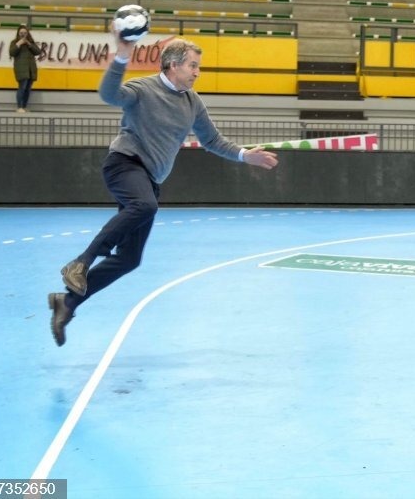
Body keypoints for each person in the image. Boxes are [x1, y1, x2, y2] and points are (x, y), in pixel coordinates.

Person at [48, 28, 279, 346]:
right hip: (124, 164)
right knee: (144, 205)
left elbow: (211, 140)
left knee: (129, 259)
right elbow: (108, 95)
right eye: (193, 65)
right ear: (173, 65)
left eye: (198, 66)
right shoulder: (143, 90)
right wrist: (121, 57)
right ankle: (81, 262)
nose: (197, 72)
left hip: (150, 179)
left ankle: (68, 303)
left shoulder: (192, 103)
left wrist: (243, 155)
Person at [9, 24, 41, 113]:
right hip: (21, 69)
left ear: (27, 33)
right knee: (22, 87)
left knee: (28, 88)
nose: (23, 34)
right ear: (18, 34)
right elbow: (12, 52)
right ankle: (19, 107)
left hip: (30, 69)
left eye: (25, 33)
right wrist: (18, 44)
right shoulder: (14, 42)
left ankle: (24, 106)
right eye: (21, 33)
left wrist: (29, 44)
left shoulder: (30, 42)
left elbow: (38, 51)